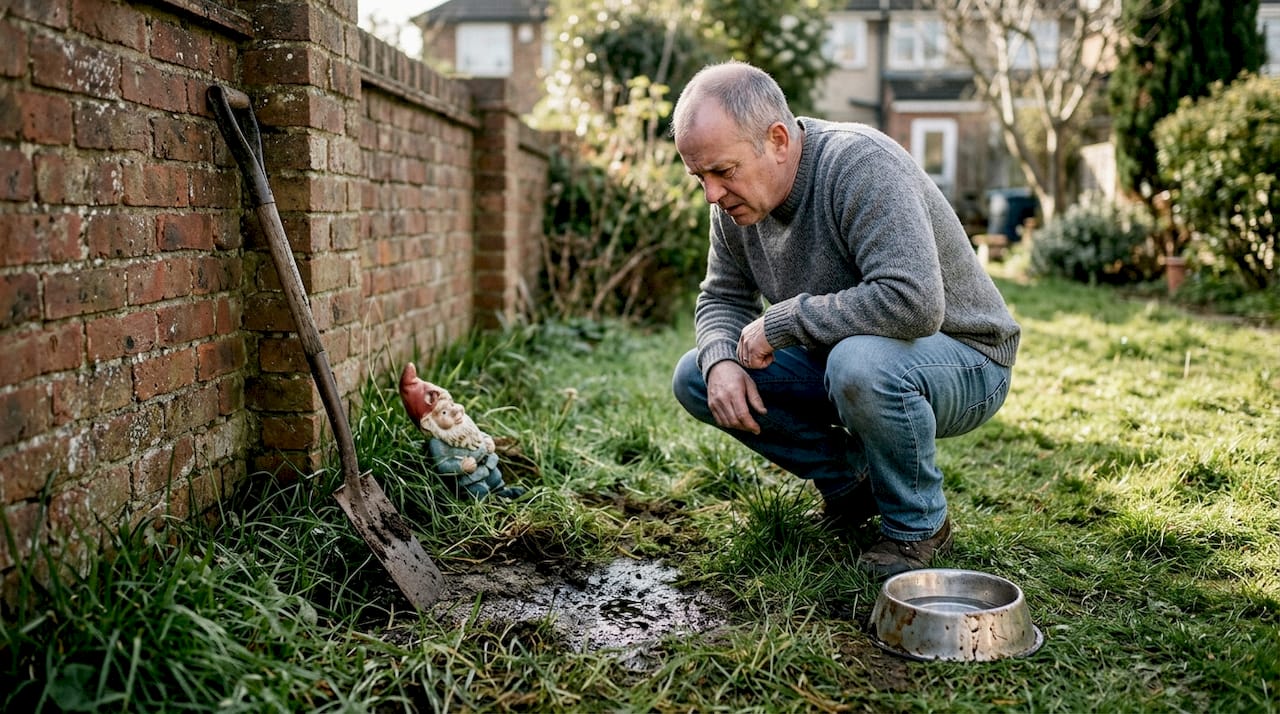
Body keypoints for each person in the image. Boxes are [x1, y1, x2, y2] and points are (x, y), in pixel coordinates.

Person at [669, 61, 1021, 578]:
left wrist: (784, 322)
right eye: (699, 177)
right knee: (698, 375)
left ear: (778, 140)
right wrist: (722, 360)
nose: (712, 195)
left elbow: (915, 302)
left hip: (966, 358)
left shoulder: (861, 166)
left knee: (859, 363)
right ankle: (850, 484)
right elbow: (721, 296)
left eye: (723, 171)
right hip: (846, 359)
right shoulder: (733, 206)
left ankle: (918, 527)